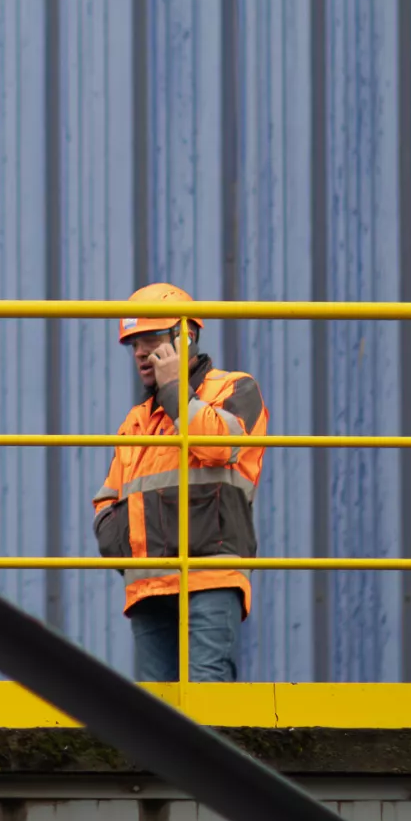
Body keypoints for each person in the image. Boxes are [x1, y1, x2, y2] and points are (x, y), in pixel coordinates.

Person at [92, 283, 268, 683]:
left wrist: (174, 389)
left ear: (185, 337)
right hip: (148, 582)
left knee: (207, 695)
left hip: (211, 574)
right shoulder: (136, 420)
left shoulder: (234, 389)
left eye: (151, 337)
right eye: (133, 342)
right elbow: (108, 497)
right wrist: (122, 544)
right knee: (156, 712)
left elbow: (219, 447)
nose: (139, 351)